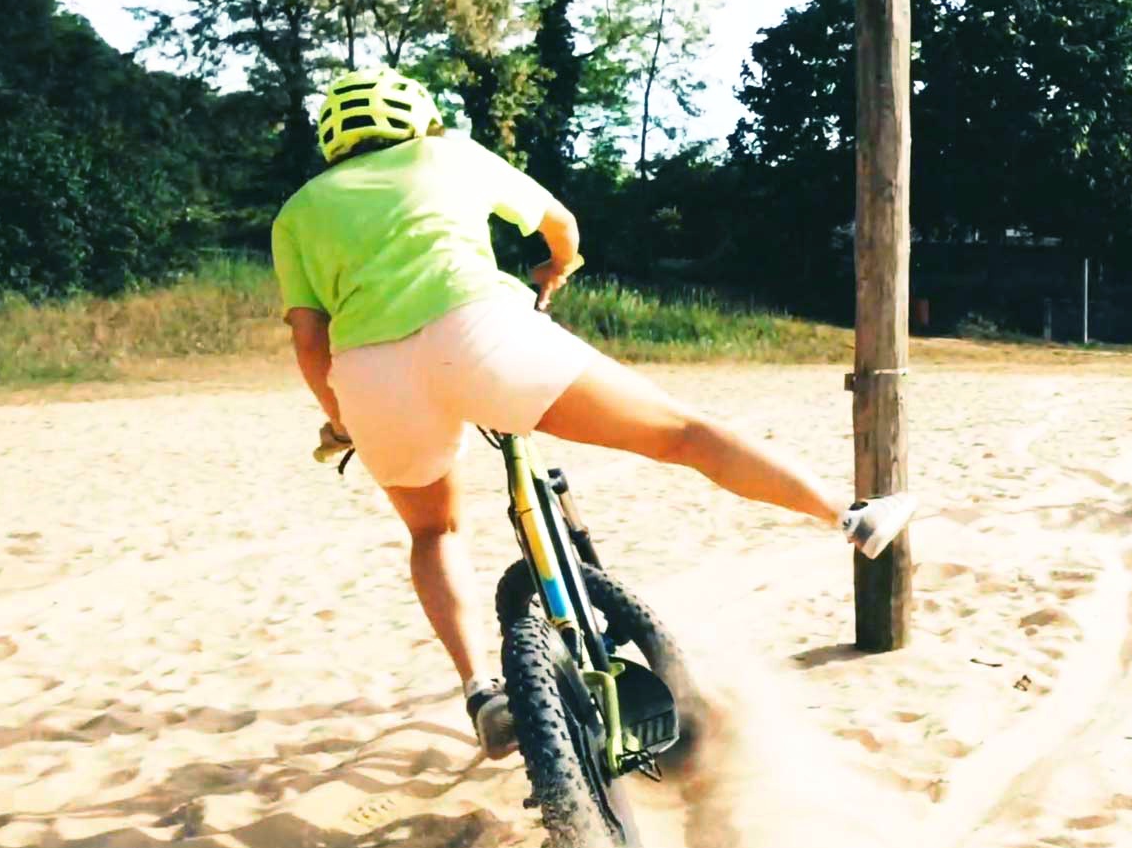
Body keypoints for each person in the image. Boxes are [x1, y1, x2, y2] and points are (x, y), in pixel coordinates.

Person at [271, 68, 915, 757]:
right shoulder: (447, 152)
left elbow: (310, 340)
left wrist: (342, 417)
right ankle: (848, 517)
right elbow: (561, 228)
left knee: (435, 533)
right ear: (416, 116)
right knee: (682, 434)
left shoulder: (299, 212)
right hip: (480, 333)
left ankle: (482, 692)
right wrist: (555, 270)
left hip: (370, 374)